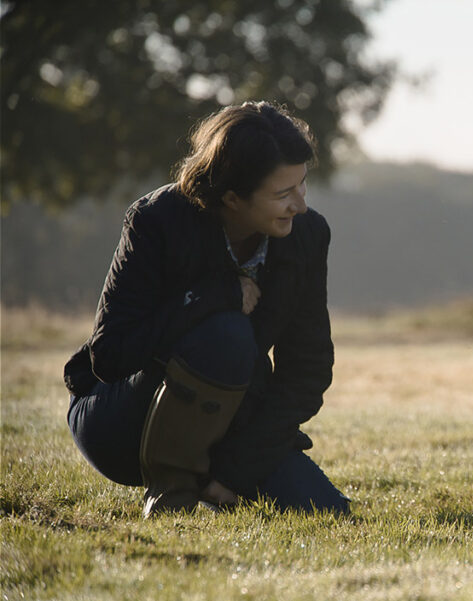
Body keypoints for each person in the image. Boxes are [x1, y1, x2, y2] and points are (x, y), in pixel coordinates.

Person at [63, 101, 350, 517]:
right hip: (121, 423)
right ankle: (172, 488)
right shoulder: (156, 220)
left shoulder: (307, 234)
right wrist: (216, 296)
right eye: (283, 194)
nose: (300, 205)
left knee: (325, 511)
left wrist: (237, 471)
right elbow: (111, 355)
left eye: (302, 185)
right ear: (232, 197)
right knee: (227, 334)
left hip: (232, 422)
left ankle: (212, 481)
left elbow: (308, 368)